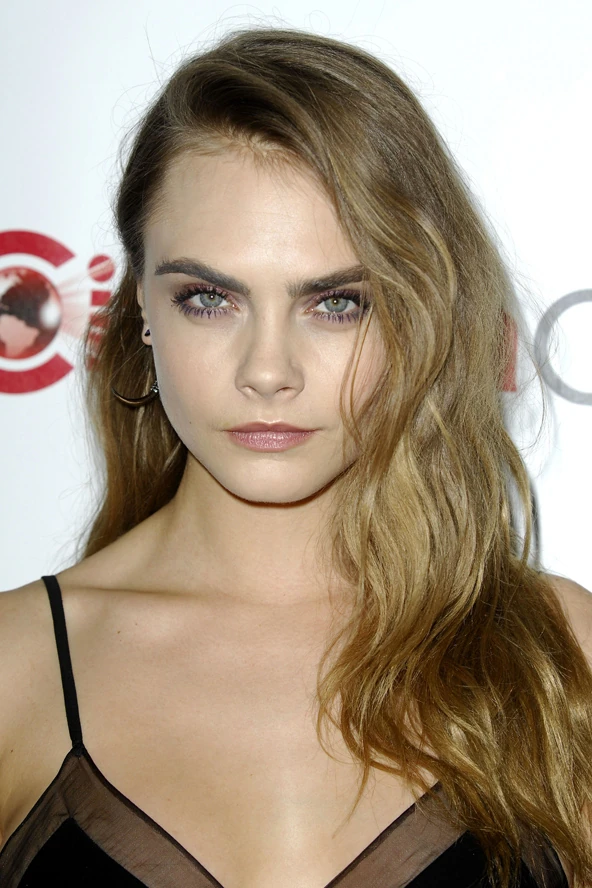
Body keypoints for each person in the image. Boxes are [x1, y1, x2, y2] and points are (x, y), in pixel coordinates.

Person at [0, 26, 590, 888]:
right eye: (209, 298)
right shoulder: (16, 668)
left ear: (418, 315)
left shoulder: (559, 653)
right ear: (142, 313)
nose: (268, 371)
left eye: (337, 303)